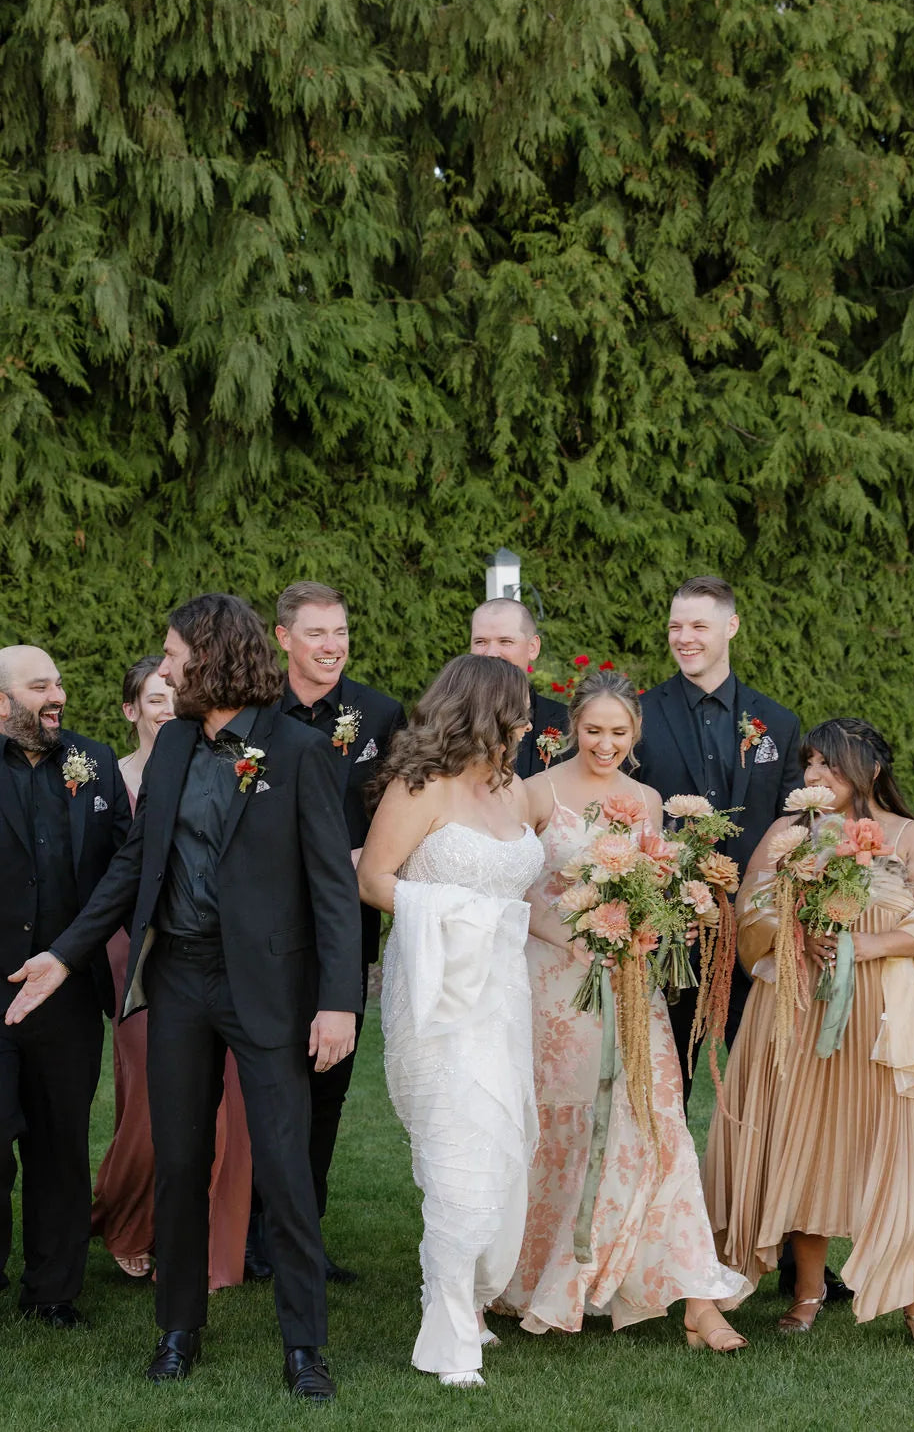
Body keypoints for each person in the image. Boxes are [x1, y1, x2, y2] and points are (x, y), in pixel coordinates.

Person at [5, 595, 362, 1401]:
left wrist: (339, 1000)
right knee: (178, 1159)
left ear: (212, 656)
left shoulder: (300, 752)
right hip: (179, 980)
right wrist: (63, 954)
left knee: (283, 1165)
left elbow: (333, 890)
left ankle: (305, 1344)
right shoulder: (171, 745)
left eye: (172, 654)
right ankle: (177, 1329)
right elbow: (134, 864)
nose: (164, 668)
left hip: (266, 986)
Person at [702, 719, 914, 1349]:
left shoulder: (911, 835)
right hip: (798, 1007)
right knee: (806, 1141)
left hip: (883, 1015)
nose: (815, 775)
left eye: (830, 764)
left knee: (902, 1151)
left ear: (869, 769)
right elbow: (750, 906)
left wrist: (870, 943)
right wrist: (792, 933)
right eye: (811, 763)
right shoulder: (790, 832)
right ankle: (809, 1290)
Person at [497, 671, 751, 1348]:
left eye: (618, 731)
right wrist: (571, 933)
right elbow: (508, 890)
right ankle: (539, 1273)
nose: (605, 743)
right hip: (555, 987)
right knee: (563, 1126)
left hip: (631, 986)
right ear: (572, 727)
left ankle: (698, 1300)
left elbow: (651, 887)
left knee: (658, 1121)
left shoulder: (646, 800)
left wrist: (672, 917)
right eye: (593, 730)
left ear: (635, 732)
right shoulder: (535, 792)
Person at [358, 655, 544, 1388]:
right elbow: (374, 879)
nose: (528, 725)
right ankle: (449, 1337)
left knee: (502, 1148)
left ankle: (467, 1294)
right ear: (485, 713)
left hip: (503, 995)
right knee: (460, 1159)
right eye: (519, 713)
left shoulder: (512, 788)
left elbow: (524, 891)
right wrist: (459, 914)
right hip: (438, 1000)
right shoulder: (419, 786)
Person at [246, 580, 406, 1284]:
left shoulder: (379, 714)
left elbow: (400, 807)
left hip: (344, 932)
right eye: (316, 633)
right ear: (284, 638)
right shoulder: (253, 712)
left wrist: (371, 852)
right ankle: (250, 1230)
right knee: (265, 1085)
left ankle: (301, 1237)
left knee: (327, 1088)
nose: (332, 646)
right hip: (266, 930)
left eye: (340, 632)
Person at [91, 656, 252, 1289]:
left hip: (212, 951)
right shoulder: (108, 777)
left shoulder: (219, 763)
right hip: (131, 950)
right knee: (148, 1102)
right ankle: (130, 1221)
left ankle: (205, 1244)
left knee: (226, 1102)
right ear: (131, 710)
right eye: (152, 699)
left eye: (171, 696)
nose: (165, 708)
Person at [631, 576, 802, 1104]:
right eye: (675, 626)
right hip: (668, 932)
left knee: (765, 1084)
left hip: (752, 932)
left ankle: (759, 1162)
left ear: (731, 626)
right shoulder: (637, 716)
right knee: (662, 1085)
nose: (684, 638)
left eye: (699, 626)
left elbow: (795, 823)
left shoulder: (777, 723)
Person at [0, 643, 131, 1325]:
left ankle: (52, 1291)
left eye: (57, 683)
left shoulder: (95, 760)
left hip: (67, 993)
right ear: (1, 702)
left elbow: (127, 863)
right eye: (39, 686)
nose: (57, 696)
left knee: (59, 1143)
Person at [470, 599, 569, 777]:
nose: (491, 653)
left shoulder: (567, 722)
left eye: (505, 641)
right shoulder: (445, 720)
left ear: (533, 648)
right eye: (480, 642)